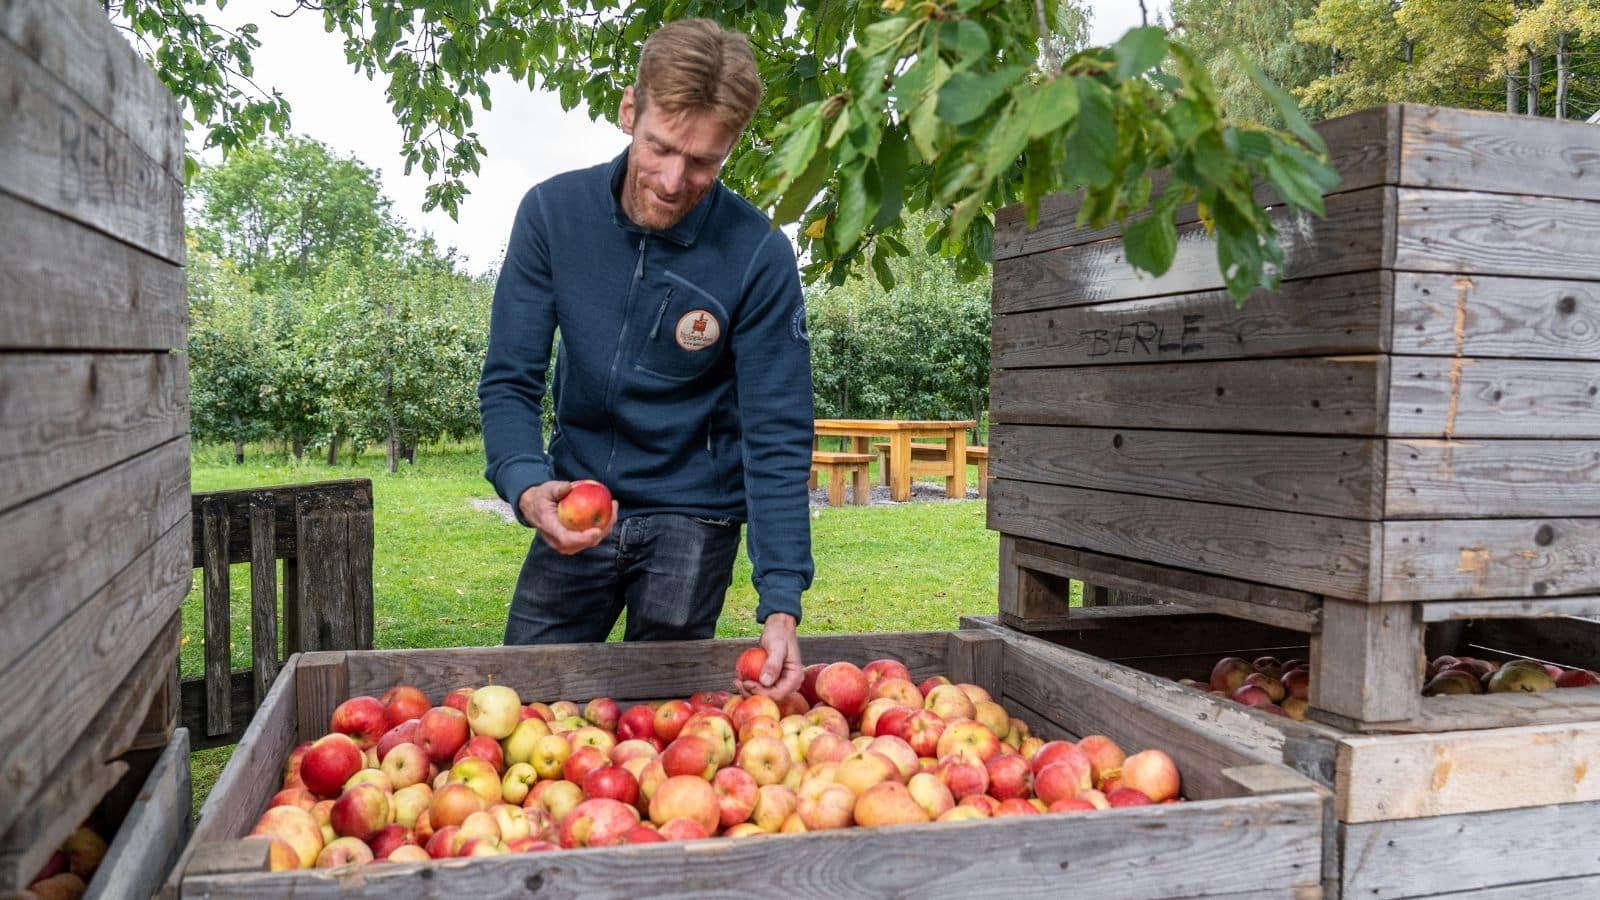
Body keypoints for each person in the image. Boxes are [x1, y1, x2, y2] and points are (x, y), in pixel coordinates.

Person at [477, 18, 813, 699]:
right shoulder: (551, 215)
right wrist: (524, 481)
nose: (672, 178)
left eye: (704, 162)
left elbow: (776, 435)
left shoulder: (758, 255)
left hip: (695, 516)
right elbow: (511, 380)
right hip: (578, 500)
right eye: (660, 147)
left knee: (657, 727)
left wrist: (780, 599)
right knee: (521, 700)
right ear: (630, 110)